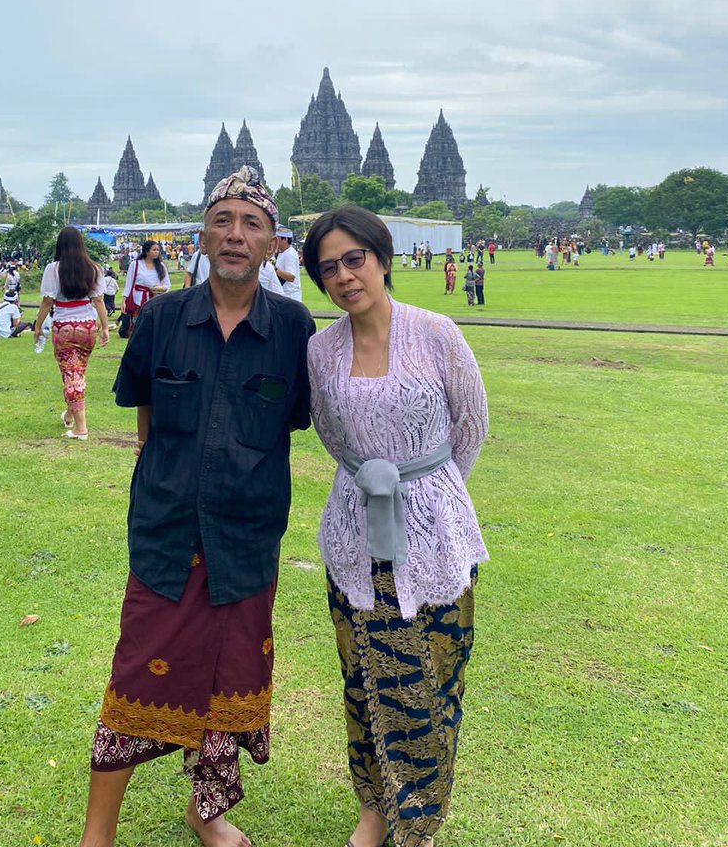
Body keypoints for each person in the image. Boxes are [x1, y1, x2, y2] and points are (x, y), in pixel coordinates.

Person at [79, 166, 315, 847]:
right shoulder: (159, 320)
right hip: (167, 535)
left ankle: (204, 812)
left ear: (273, 244)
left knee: (228, 679)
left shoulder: (294, 331)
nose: (236, 235)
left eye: (252, 224)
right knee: (135, 671)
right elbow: (146, 418)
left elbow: (291, 422)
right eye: (224, 220)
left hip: (245, 540)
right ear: (202, 236)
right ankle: (97, 835)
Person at [302, 206, 488, 847]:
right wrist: (372, 481)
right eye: (329, 267)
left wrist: (424, 488)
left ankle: (420, 822)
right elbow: (330, 432)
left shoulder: (437, 333)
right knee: (362, 677)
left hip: (435, 533)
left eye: (355, 259)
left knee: (433, 680)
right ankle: (374, 810)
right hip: (356, 534)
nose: (345, 276)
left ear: (382, 258)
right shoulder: (320, 351)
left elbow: (470, 426)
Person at [34, 227, 109, 441]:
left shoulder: (53, 269)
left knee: (71, 374)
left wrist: (38, 325)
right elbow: (99, 300)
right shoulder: (94, 268)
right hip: (87, 325)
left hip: (64, 326)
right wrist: (104, 328)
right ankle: (69, 413)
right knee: (77, 371)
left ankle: (81, 427)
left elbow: (48, 300)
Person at [123, 242, 171, 332]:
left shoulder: (161, 266)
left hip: (155, 299)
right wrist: (124, 300)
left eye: (157, 250)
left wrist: (160, 288)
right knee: (138, 326)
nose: (156, 252)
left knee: (153, 326)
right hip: (138, 299)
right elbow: (129, 283)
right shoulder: (135, 264)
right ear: (146, 251)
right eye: (154, 250)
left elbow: (167, 284)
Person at [273, 226, 302, 301]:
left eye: (277, 238)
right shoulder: (281, 253)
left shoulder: (290, 254)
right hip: (284, 294)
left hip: (290, 296)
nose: (275, 241)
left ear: (285, 239)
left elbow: (291, 277)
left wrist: (274, 269)